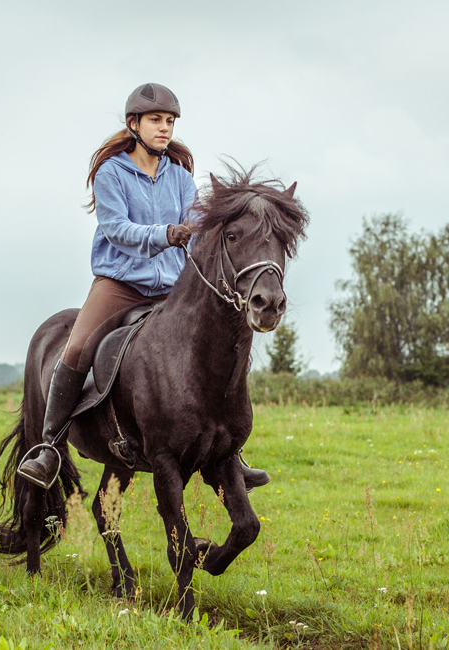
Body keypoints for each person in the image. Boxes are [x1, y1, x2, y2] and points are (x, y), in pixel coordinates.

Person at [17, 83, 269, 491]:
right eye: (156, 120)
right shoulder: (111, 173)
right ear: (134, 124)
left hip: (172, 288)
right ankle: (48, 447)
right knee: (78, 346)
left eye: (170, 121)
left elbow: (199, 222)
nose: (164, 128)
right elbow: (116, 229)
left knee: (221, 343)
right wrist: (166, 234)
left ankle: (229, 451)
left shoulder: (181, 177)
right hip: (120, 285)